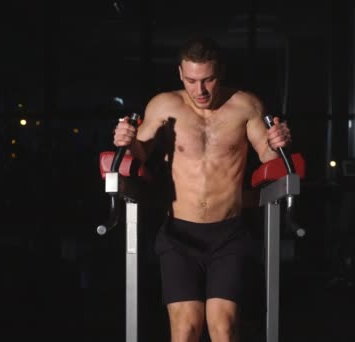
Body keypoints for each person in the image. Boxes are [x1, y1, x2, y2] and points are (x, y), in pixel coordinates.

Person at [113, 36, 291, 342]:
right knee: (186, 330)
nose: (201, 90)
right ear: (181, 74)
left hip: (228, 234)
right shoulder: (164, 104)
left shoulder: (246, 105)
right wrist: (126, 139)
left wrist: (279, 141)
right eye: (192, 80)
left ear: (219, 72)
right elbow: (139, 152)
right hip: (179, 235)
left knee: (223, 328)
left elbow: (268, 157)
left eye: (208, 79)